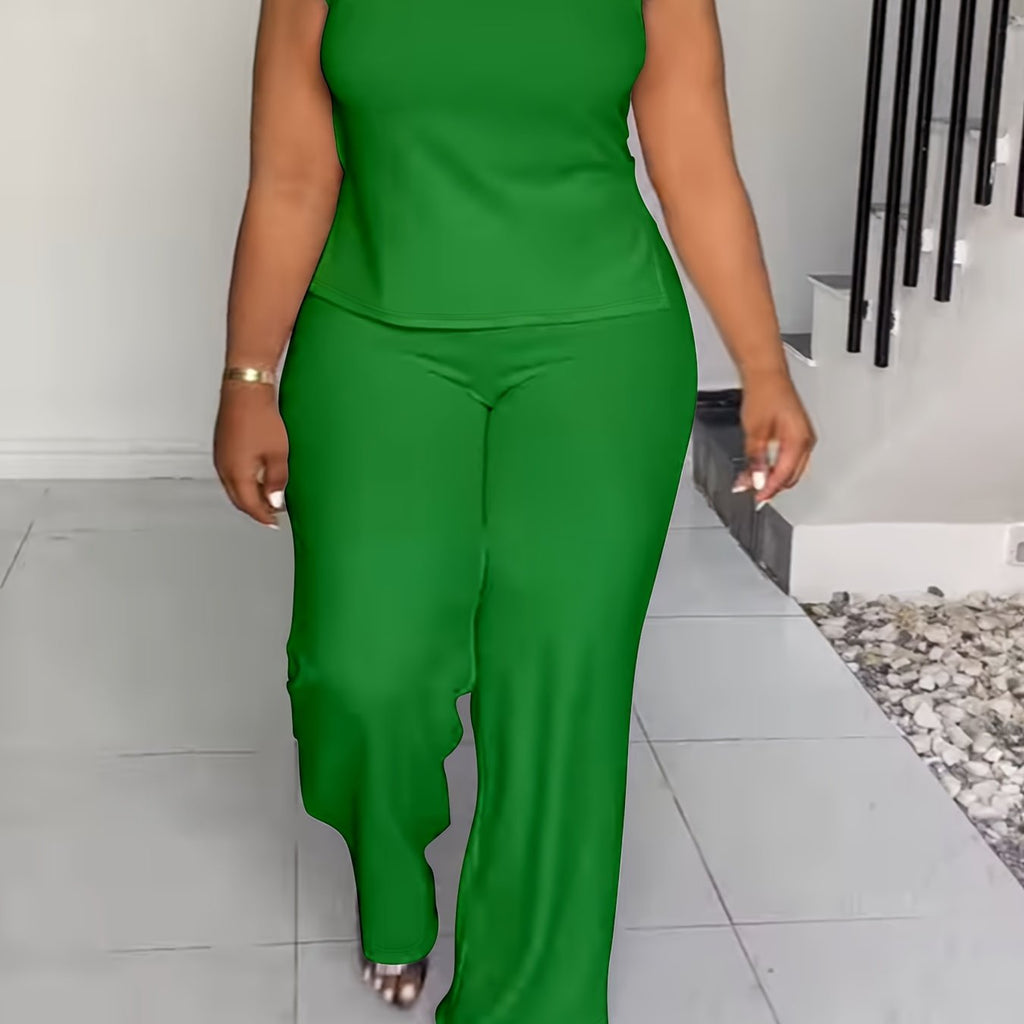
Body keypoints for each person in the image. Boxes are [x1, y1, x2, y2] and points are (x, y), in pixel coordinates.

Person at [213, 0, 815, 1019]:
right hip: (373, 333)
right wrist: (248, 377)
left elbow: (695, 163)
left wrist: (763, 365)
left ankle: (527, 999)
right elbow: (293, 174)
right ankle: (390, 875)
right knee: (362, 670)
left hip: (602, 340)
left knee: (559, 683)